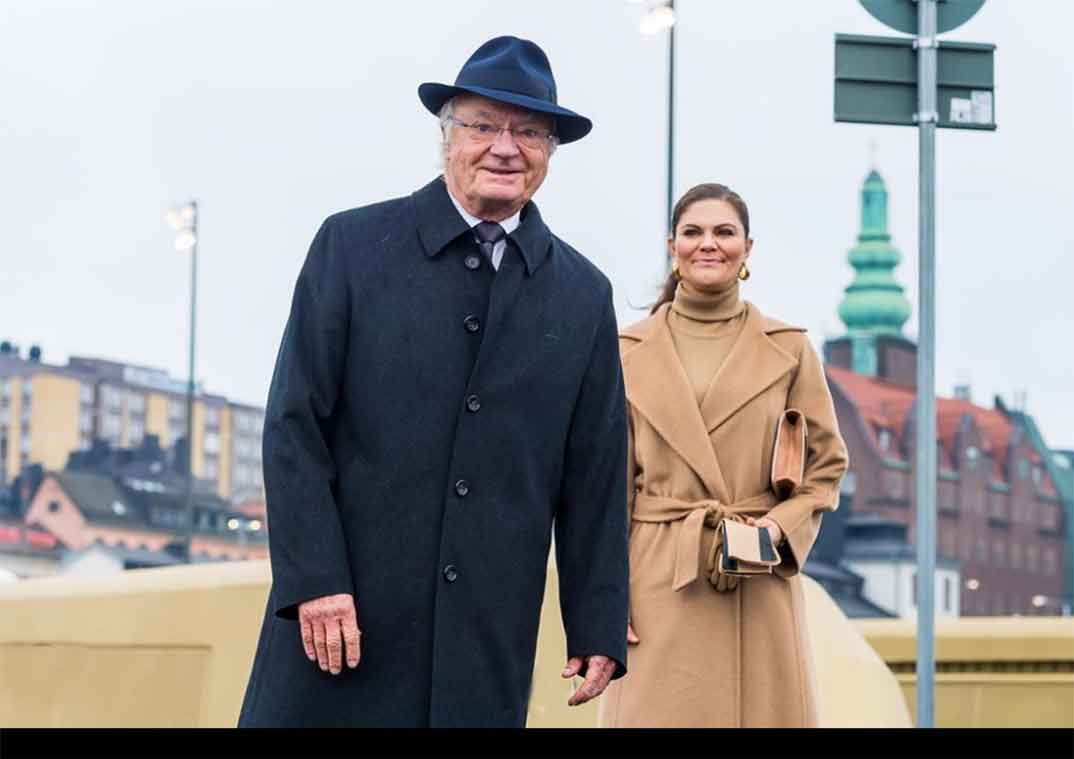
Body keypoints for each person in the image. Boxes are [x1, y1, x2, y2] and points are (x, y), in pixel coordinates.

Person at [237, 36, 629, 728]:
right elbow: (293, 426)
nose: (505, 147)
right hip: (341, 627)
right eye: (483, 125)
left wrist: (597, 618)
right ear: (446, 137)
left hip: (483, 642)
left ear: (549, 152)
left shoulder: (582, 294)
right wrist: (316, 582)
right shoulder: (351, 248)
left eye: (530, 131)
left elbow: (595, 472)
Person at [597, 183, 849, 728]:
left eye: (724, 232)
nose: (707, 244)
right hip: (658, 575)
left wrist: (776, 529)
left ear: (748, 248)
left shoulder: (789, 348)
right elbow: (603, 488)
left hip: (755, 574)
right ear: (672, 245)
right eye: (693, 232)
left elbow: (825, 466)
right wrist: (604, 601)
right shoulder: (624, 351)